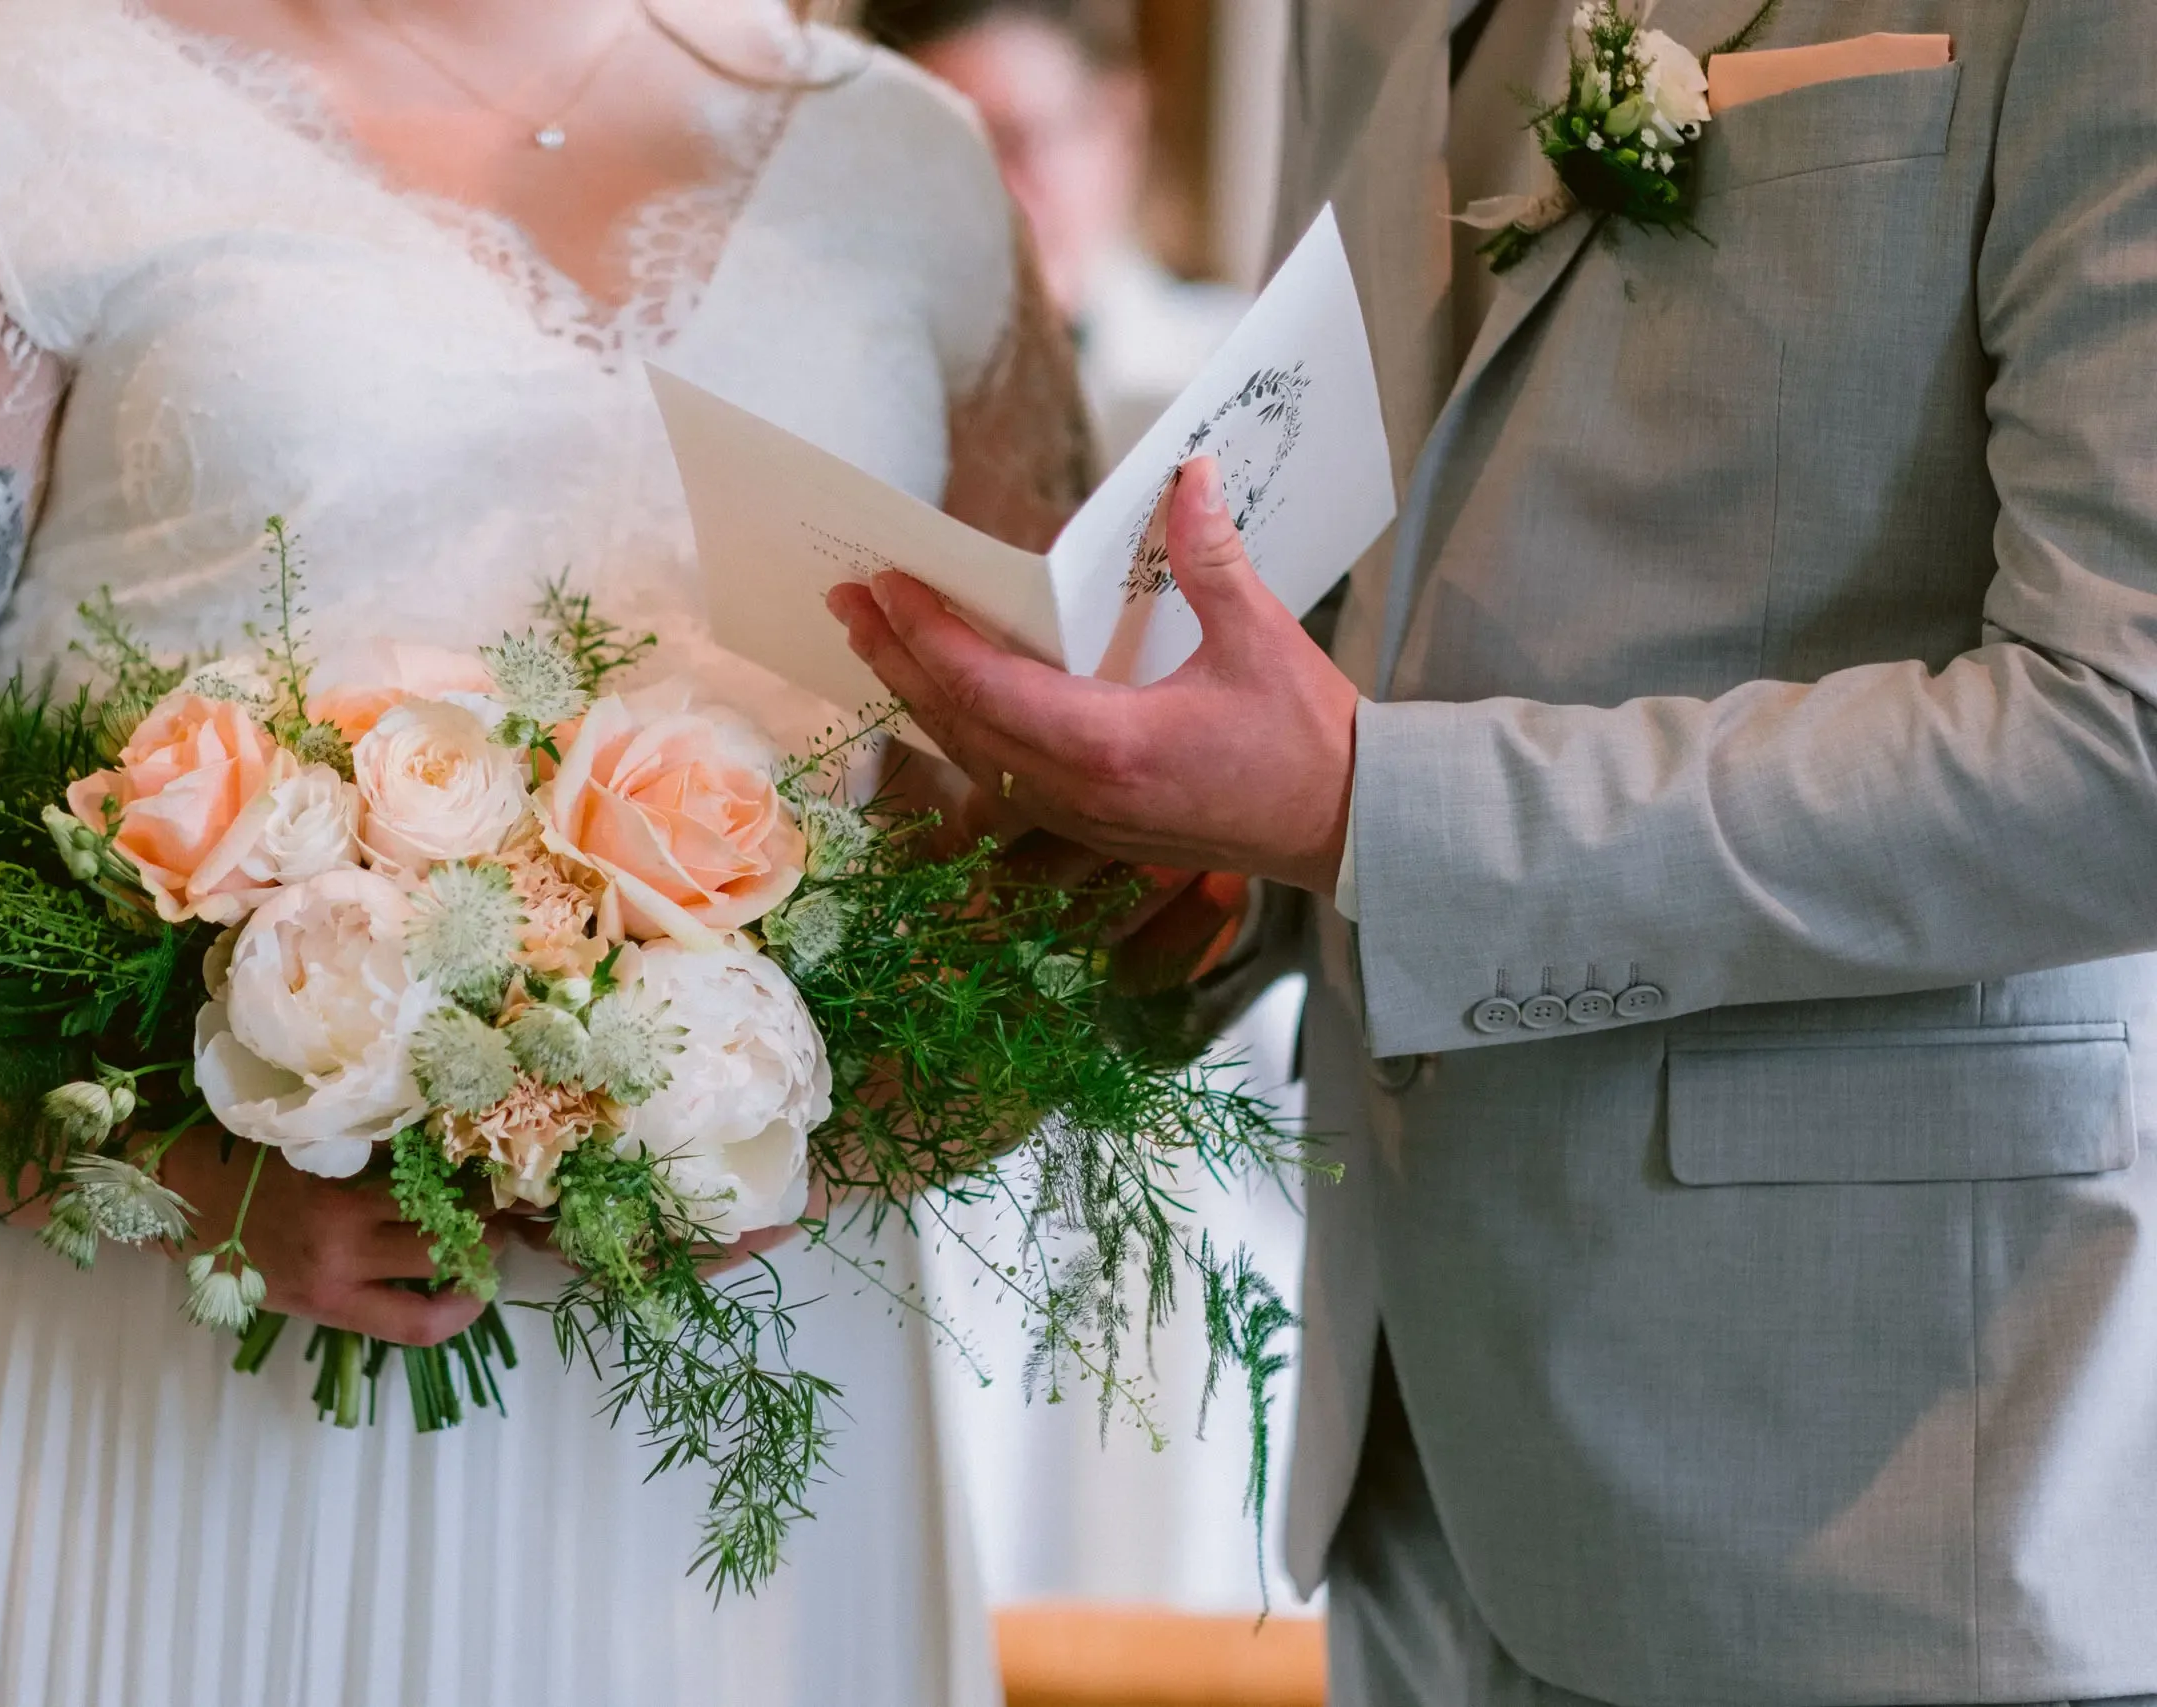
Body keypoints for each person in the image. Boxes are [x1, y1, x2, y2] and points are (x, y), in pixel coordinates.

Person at [0, 2, 1094, 1701]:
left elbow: (1050, 814)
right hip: (123, 1389)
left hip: (728, 1420)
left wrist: (855, 1124)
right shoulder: (2, 117)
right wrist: (172, 1173)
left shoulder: (909, 160)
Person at [832, 1, 2157, 1703]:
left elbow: (2121, 741)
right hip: (1417, 1452)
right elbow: (1345, 563)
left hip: (1878, 1475)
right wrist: (1207, 865)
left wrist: (1373, 810)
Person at [864, 0, 1309, 1615]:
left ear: (1121, 128)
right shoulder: (856, 380)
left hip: (1201, 1003)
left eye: (1027, 142)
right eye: (948, 149)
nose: (998, 193)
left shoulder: (1232, 371)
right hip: (927, 989)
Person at [862, 0, 1251, 466]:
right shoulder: (839, 387)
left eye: (1015, 140)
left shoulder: (1237, 369)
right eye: (937, 155)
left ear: (1121, 122)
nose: (987, 196)